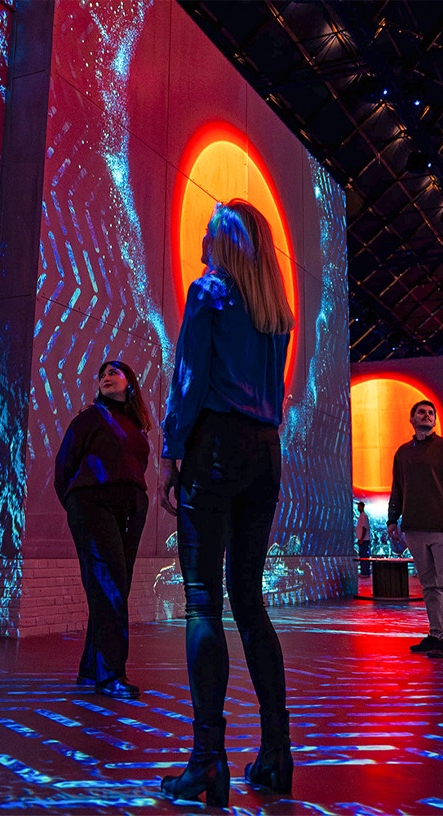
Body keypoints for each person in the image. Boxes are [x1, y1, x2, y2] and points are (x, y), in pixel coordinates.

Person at [159, 200, 294, 806]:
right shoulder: (275, 311)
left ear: (225, 241)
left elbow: (189, 378)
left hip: (214, 446)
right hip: (266, 452)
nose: (204, 244)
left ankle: (208, 762)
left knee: (202, 604)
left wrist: (170, 451)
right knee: (250, 603)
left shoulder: (209, 292)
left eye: (209, 234)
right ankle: (275, 754)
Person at [54, 360, 152, 700]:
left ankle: (90, 668)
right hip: (93, 505)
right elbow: (64, 467)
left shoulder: (137, 428)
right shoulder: (89, 419)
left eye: (114, 372)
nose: (106, 377)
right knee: (109, 585)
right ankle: (111, 674)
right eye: (102, 375)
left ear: (130, 382)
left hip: (130, 509)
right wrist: (80, 505)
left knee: (114, 588)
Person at [386, 400, 443, 660]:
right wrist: (392, 520)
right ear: (412, 419)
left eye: (431, 412)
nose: (427, 415)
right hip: (414, 528)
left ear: (435, 420)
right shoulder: (402, 452)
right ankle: (436, 633)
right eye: (421, 412)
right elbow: (397, 489)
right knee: (430, 585)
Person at [355, 501, 371, 576]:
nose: (358, 508)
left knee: (364, 556)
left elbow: (364, 528)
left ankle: (365, 572)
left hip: (364, 540)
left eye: (359, 506)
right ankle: (363, 571)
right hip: (362, 540)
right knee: (362, 556)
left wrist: (361, 539)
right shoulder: (361, 516)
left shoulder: (363, 516)